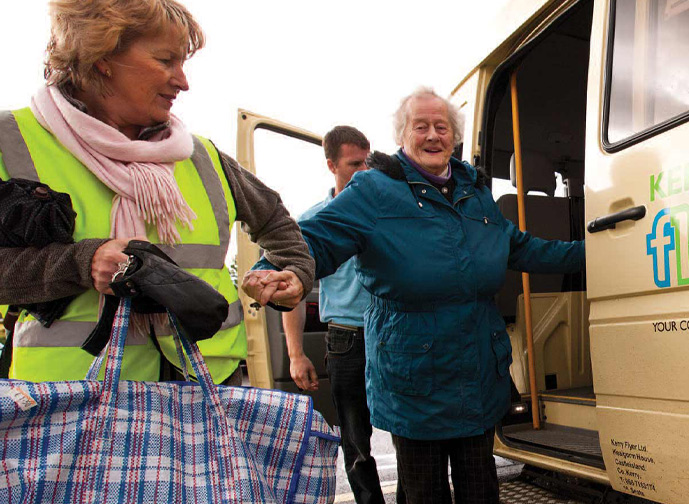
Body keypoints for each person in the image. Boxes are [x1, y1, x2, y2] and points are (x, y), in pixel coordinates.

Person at [251, 87, 585, 503]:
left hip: (477, 372)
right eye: (420, 126)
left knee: (481, 489)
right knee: (424, 494)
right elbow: (316, 237)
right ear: (402, 136)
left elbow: (518, 246)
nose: (432, 136)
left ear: (454, 136)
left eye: (441, 127)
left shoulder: (475, 192)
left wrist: (592, 251)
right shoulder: (373, 190)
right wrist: (279, 269)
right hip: (415, 379)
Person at [0, 0, 312, 385]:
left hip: (205, 392)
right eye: (166, 61)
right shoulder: (11, 140)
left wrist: (289, 273)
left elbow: (277, 223)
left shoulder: (202, 156)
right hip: (71, 407)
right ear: (103, 57)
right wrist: (81, 262)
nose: (183, 81)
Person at [285, 126, 391, 504]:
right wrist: (296, 354)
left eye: (368, 162)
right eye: (353, 163)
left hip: (394, 333)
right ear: (331, 164)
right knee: (355, 438)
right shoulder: (315, 221)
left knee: (409, 429)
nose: (364, 171)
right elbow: (292, 292)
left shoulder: (388, 214)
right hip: (347, 337)